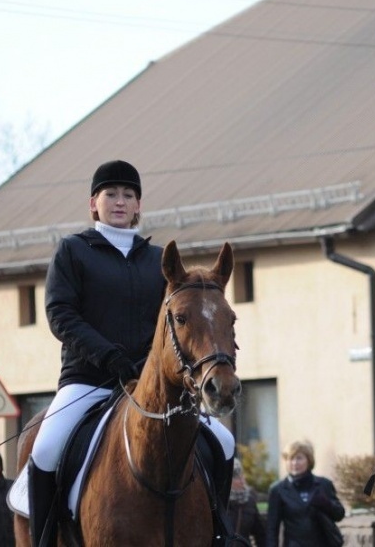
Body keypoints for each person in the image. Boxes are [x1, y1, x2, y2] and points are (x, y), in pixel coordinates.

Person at [27, 160, 236, 547]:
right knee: (45, 448)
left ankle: (222, 532)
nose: (120, 201)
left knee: (223, 442)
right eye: (111, 194)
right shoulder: (73, 251)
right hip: (87, 380)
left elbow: (175, 324)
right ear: (94, 203)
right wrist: (109, 357)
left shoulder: (157, 260)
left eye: (128, 195)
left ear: (139, 205)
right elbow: (60, 314)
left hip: (148, 382)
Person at [266, 440, 345, 547]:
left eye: (299, 458)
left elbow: (339, 514)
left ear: (309, 460)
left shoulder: (323, 484)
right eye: (290, 458)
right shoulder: (278, 490)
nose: (294, 463)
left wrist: (326, 503)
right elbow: (272, 528)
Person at [228, 458, 266, 547]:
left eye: (242, 475)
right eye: (237, 477)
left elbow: (260, 533)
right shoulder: (219, 502)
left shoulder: (249, 500)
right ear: (228, 480)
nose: (242, 480)